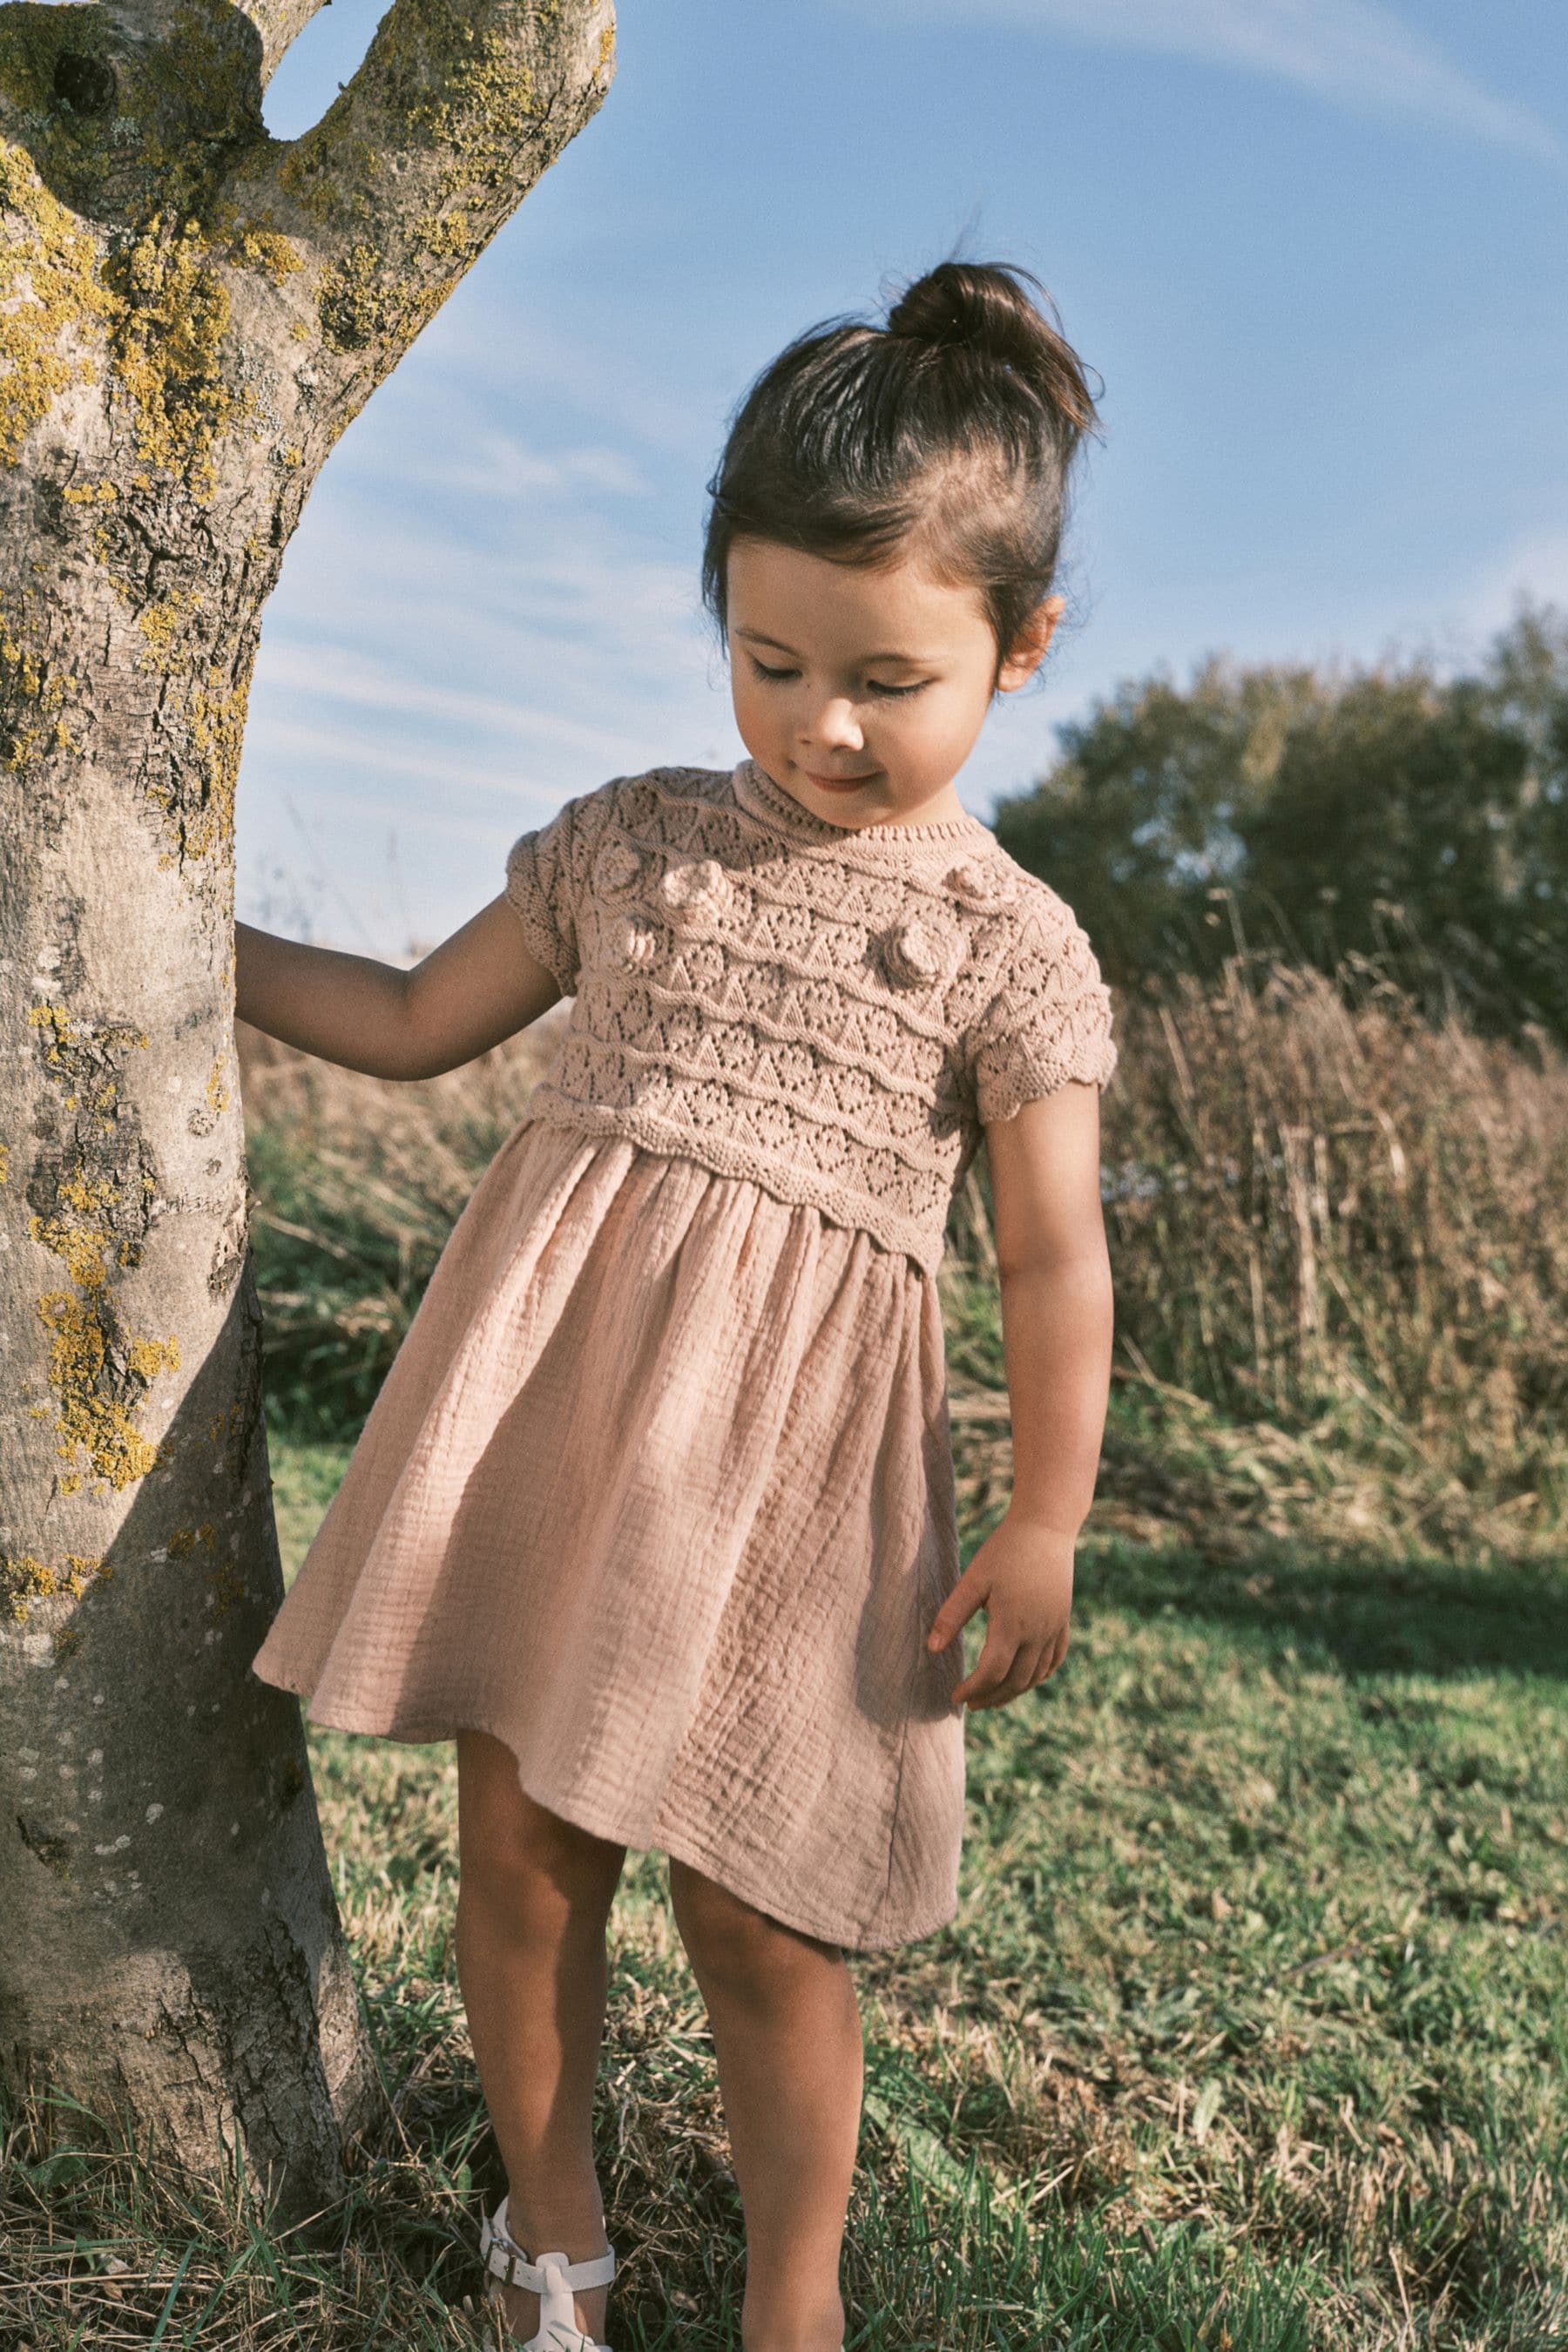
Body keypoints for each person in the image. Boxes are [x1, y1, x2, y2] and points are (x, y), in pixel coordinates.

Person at [240, 258, 1119, 2352]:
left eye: (889, 678)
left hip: (800, 1494)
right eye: (768, 657)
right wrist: (186, 936)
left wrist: (1051, 1511)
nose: (822, 720)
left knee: (762, 1908)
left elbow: (1053, 1251)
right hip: (566, 1437)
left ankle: (790, 2307)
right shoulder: (630, 848)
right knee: (526, 1852)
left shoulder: (1014, 944)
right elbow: (401, 1019)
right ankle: (556, 2241)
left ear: (1022, 649)